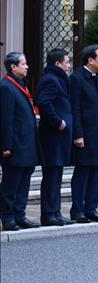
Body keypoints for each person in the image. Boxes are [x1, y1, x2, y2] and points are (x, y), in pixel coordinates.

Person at [69, 45, 98, 223]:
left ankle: (91, 208)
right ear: (90, 60)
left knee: (96, 172)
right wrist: (78, 134)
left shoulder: (97, 78)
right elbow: (75, 108)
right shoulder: (77, 78)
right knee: (82, 172)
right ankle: (77, 210)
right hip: (84, 134)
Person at [0, 52, 40, 231]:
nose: (27, 66)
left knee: (23, 183)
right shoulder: (7, 87)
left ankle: (19, 214)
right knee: (11, 184)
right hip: (15, 146)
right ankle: (7, 217)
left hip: (27, 145)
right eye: (23, 64)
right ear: (13, 67)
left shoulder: (21, 85)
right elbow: (5, 119)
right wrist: (6, 145)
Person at [36, 48, 74, 226]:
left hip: (59, 137)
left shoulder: (59, 79)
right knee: (51, 176)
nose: (68, 65)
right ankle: (48, 214)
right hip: (53, 137)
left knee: (56, 176)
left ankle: (55, 212)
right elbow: (44, 103)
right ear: (57, 63)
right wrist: (59, 122)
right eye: (67, 62)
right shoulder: (50, 80)